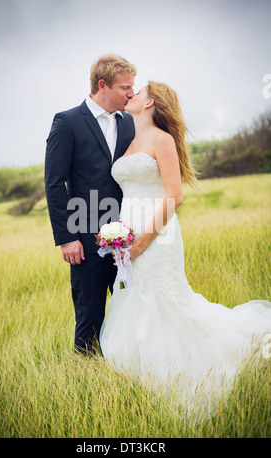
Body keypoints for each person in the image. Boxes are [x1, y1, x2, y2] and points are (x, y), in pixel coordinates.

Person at [99, 81, 271, 401]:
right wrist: (121, 239)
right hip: (128, 232)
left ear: (150, 103)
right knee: (134, 297)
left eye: (138, 91)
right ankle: (139, 372)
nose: (132, 94)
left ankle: (182, 372)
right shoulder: (130, 140)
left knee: (165, 298)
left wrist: (141, 242)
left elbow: (174, 197)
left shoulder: (162, 140)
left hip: (158, 234)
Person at [45, 54, 136, 354]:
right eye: (125, 87)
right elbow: (55, 183)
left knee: (131, 312)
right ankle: (86, 380)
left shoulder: (129, 123)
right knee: (90, 319)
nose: (131, 93)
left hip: (127, 239)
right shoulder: (67, 122)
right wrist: (67, 238)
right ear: (102, 85)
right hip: (84, 239)